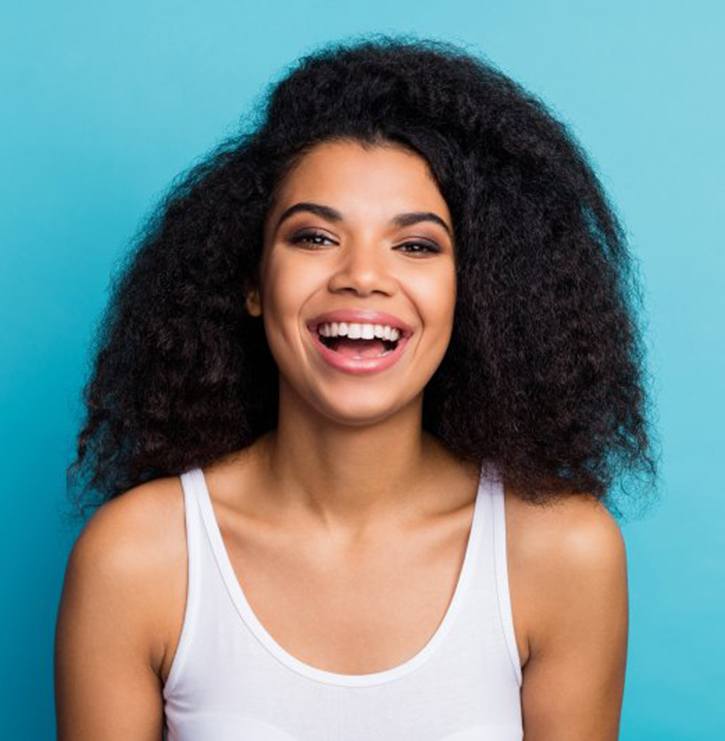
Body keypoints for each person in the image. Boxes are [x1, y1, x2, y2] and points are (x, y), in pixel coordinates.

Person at [55, 35, 658, 740]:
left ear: (476, 292)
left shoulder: (561, 553)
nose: (362, 276)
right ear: (251, 282)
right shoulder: (137, 559)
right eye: (314, 237)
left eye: (416, 245)